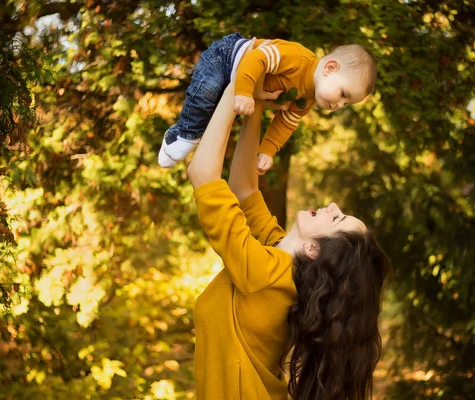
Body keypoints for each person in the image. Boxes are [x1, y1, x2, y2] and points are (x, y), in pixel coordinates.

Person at [187, 74, 392, 399]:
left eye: (336, 218)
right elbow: (244, 190)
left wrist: (237, 83)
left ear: (313, 249)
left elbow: (202, 174)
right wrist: (253, 105)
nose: (333, 205)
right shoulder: (279, 256)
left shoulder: (267, 274)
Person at [160, 32, 377, 175]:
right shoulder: (297, 58)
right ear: (330, 68)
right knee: (203, 95)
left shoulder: (306, 101)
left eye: (346, 104)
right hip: (227, 59)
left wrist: (267, 151)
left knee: (212, 119)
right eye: (342, 94)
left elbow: (285, 124)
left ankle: (182, 136)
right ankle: (182, 135)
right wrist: (245, 92)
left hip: (240, 86)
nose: (338, 105)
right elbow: (257, 58)